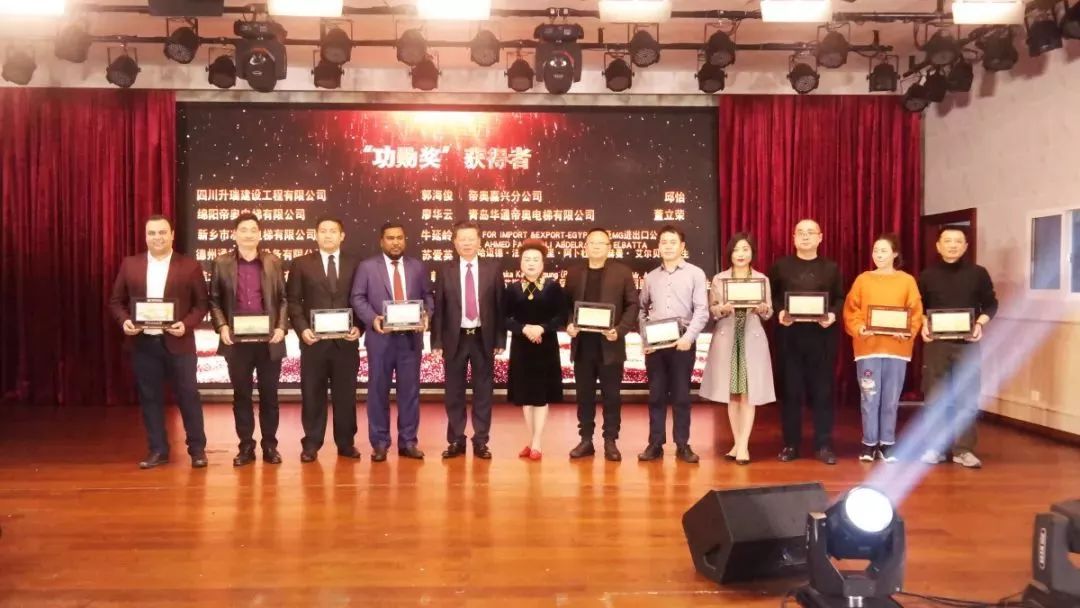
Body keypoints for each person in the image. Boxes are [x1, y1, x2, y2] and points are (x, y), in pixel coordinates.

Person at [108, 215, 208, 469]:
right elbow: (116, 302)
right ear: (145, 236)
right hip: (143, 344)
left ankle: (197, 450)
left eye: (162, 232)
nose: (157, 237)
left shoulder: (190, 266)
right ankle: (158, 450)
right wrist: (125, 322)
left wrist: (185, 324)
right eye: (152, 233)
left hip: (179, 343)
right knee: (150, 398)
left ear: (172, 235)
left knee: (188, 396)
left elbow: (201, 304)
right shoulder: (130, 264)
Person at [208, 212, 288, 467]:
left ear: (260, 234)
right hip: (236, 342)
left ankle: (270, 446)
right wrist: (221, 326)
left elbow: (283, 299)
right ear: (234, 234)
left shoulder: (273, 261)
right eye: (243, 230)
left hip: (269, 341)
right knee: (241, 395)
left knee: (269, 396)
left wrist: (281, 327)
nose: (248, 234)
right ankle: (245, 447)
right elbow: (214, 300)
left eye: (253, 230)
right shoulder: (221, 263)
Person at [350, 222, 432, 462]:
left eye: (399, 237)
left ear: (405, 240)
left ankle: (408, 442)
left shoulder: (417, 266)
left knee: (410, 393)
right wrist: (372, 318)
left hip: (410, 341)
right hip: (380, 339)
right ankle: (380, 443)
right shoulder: (367, 267)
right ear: (381, 241)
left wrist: (426, 314)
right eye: (390, 238)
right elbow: (357, 297)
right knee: (378, 392)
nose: (395, 242)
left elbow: (427, 296)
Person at [917, 226, 997, 468]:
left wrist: (980, 324)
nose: (952, 245)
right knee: (935, 397)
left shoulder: (978, 273)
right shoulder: (927, 275)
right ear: (938, 246)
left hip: (968, 344)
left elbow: (991, 304)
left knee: (967, 398)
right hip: (937, 345)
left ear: (965, 246)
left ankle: (964, 450)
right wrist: (923, 325)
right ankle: (935, 448)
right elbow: (919, 307)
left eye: (958, 241)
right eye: (948, 241)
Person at [285, 217, 362, 463]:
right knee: (312, 394)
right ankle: (311, 443)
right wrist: (302, 329)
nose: (328, 235)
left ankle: (346, 443)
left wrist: (359, 327)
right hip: (313, 343)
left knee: (346, 396)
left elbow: (361, 298)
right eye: (323, 231)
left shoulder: (355, 263)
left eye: (333, 231)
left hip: (345, 343)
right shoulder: (301, 264)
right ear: (316, 235)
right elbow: (293, 301)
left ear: (342, 235)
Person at [842, 233, 923, 463]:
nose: (878, 255)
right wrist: (859, 328)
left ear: (895, 253)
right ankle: (869, 443)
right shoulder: (863, 279)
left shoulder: (907, 281)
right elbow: (851, 310)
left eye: (884, 250)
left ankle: (887, 443)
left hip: (897, 348)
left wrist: (906, 330)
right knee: (869, 397)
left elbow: (915, 312)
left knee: (890, 399)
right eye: (876, 250)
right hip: (868, 348)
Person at [769, 219, 845, 465]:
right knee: (791, 393)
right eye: (800, 232)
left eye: (810, 232)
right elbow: (772, 297)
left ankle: (823, 445)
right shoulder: (781, 266)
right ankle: (791, 444)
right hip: (790, 339)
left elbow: (840, 298)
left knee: (823, 394)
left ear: (820, 237)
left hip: (821, 340)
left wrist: (832, 314)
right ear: (793, 237)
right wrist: (780, 311)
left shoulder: (831, 268)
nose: (805, 236)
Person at [430, 220, 506, 459]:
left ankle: (481, 440)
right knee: (454, 392)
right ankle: (456, 439)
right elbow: (439, 308)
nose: (467, 243)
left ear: (479, 241)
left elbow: (500, 306)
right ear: (454, 243)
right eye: (462, 239)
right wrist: (436, 342)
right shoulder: (445, 269)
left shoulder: (493, 269)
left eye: (471, 239)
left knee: (484, 391)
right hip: (455, 338)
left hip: (483, 338)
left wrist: (500, 340)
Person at [699, 232, 775, 465]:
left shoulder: (761, 279)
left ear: (752, 253)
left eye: (745, 249)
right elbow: (712, 309)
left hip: (751, 337)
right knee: (732, 393)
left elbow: (769, 311)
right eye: (736, 250)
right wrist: (722, 308)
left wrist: (763, 309)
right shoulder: (720, 279)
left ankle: (743, 445)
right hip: (727, 337)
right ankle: (737, 442)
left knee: (748, 394)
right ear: (730, 253)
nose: (741, 254)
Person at [564, 227, 639, 462]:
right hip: (583, 346)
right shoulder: (574, 273)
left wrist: (620, 330)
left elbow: (633, 305)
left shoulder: (622, 272)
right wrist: (569, 324)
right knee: (584, 395)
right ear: (585, 247)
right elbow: (566, 305)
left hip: (611, 345)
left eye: (601, 243)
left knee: (612, 396)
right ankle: (586, 440)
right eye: (592, 243)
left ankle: (610, 440)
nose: (596, 246)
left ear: (609, 247)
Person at [636, 226, 709, 464]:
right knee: (656, 395)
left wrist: (689, 338)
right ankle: (655, 444)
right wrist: (645, 339)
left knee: (681, 396)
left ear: (682, 246)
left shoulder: (695, 274)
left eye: (673, 242)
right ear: (659, 246)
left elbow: (702, 311)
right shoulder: (651, 277)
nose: (668, 246)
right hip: (656, 345)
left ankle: (682, 444)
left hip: (682, 343)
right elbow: (642, 309)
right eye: (664, 242)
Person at [504, 240, 565, 461]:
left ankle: (537, 442)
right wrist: (523, 329)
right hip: (521, 347)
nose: (531, 263)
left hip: (545, 347)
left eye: (535, 260)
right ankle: (532, 441)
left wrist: (541, 328)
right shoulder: (512, 289)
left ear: (542, 263)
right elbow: (504, 317)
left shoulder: (553, 287)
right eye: (527, 259)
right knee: (525, 397)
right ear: (520, 263)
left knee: (540, 396)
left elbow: (561, 316)